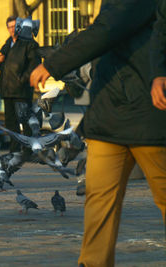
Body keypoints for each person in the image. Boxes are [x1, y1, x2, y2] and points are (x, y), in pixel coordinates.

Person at [29, 1, 166, 266]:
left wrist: (54, 64)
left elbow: (108, 28)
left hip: (147, 111)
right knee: (99, 200)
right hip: (110, 110)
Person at [0, 15, 41, 154]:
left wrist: (23, 80)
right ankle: (14, 149)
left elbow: (34, 65)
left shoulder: (29, 44)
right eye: (9, 26)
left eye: (14, 26)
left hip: (21, 90)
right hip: (7, 89)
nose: (12, 29)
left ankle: (28, 150)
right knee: (11, 123)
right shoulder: (7, 44)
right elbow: (2, 67)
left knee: (25, 121)